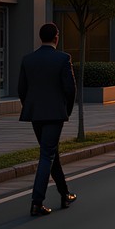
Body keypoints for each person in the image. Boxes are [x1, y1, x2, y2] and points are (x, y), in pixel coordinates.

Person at [18, 22, 77, 217]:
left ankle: (65, 193)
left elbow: (22, 89)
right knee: (47, 155)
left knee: (51, 153)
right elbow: (70, 89)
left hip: (36, 114)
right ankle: (37, 202)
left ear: (40, 38)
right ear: (56, 37)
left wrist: (31, 106)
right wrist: (65, 109)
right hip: (54, 113)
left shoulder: (28, 60)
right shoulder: (63, 58)